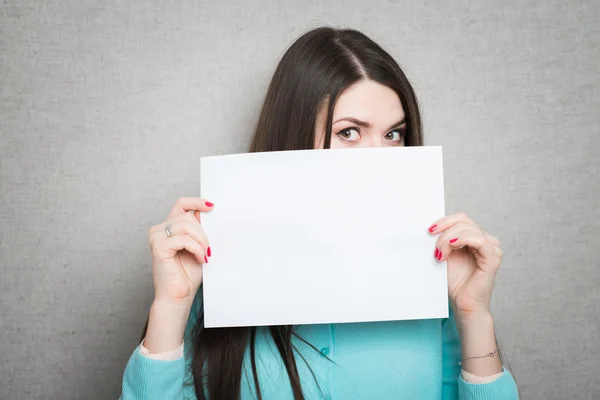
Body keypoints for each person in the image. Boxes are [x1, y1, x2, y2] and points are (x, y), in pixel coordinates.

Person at [120, 27, 519, 399]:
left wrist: (474, 316)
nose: (379, 159)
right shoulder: (213, 276)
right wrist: (171, 307)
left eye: (393, 134)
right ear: (294, 135)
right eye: (349, 132)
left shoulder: (434, 278)